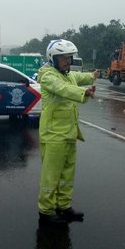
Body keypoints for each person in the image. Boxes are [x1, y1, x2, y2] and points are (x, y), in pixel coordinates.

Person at [37, 39, 96, 224]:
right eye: (63, 59)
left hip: (69, 134)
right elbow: (62, 89)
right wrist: (83, 93)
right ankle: (46, 211)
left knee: (67, 174)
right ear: (53, 59)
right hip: (54, 136)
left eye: (69, 58)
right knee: (51, 175)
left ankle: (64, 206)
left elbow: (80, 77)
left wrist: (93, 75)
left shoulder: (68, 74)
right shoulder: (47, 76)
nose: (68, 62)